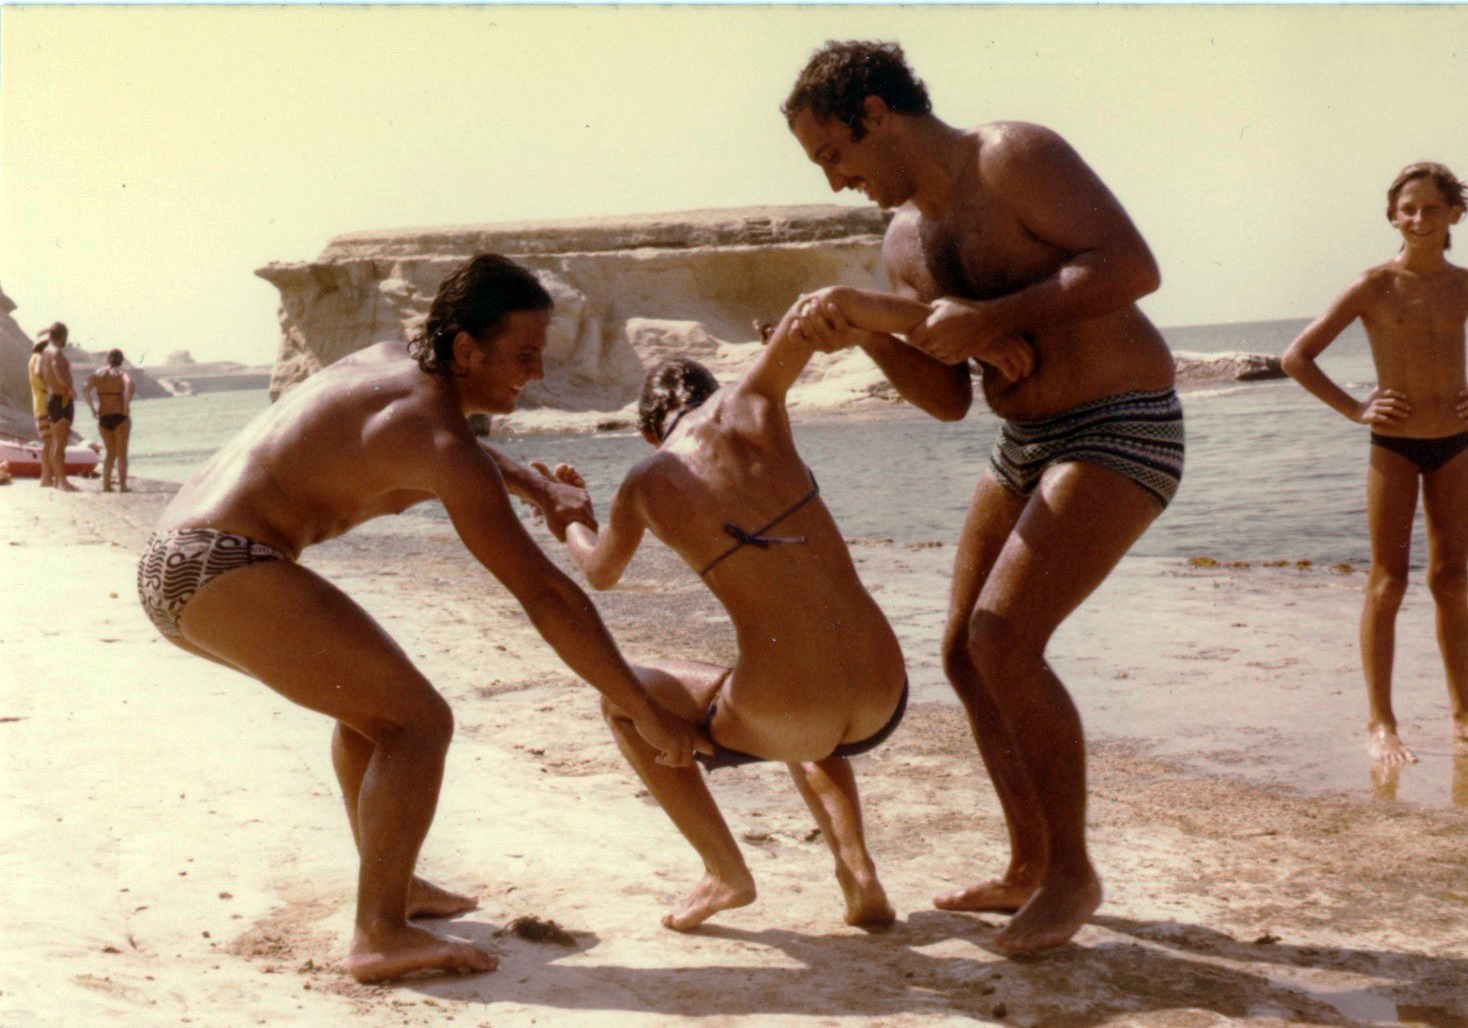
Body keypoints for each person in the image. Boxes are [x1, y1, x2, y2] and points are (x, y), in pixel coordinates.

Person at [136, 254, 703, 984]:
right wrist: (642, 708)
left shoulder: (390, 363)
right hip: (221, 564)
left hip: (173, 559)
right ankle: (378, 934)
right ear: (466, 349)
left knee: (375, 710)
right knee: (419, 722)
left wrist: (532, 484)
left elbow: (454, 442)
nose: (533, 375)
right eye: (522, 356)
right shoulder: (440, 442)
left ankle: (392, 887)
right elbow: (546, 595)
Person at [782, 40, 1184, 954]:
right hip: (1023, 442)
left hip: (1120, 422)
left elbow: (1131, 268)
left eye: (834, 154)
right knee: (965, 653)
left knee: (1006, 639)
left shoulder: (1012, 155)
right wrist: (867, 336)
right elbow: (948, 397)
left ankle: (1074, 874)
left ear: (875, 112)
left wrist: (997, 317)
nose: (837, 180)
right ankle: (1029, 864)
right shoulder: (901, 242)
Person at [542, 286, 930, 933]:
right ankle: (858, 874)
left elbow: (599, 572)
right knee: (798, 683)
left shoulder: (644, 483)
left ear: (646, 434)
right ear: (716, 391)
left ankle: (724, 872)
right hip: (885, 687)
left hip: (792, 709)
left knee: (624, 698)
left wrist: (570, 521)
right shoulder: (756, 402)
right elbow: (815, 315)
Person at [1282, 161, 1468, 767]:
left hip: (1457, 445)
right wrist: (1356, 409)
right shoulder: (1372, 286)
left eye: (1432, 208)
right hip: (1393, 447)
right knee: (1389, 580)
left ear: (1455, 216)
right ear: (1392, 216)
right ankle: (1381, 722)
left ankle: (1463, 715)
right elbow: (1297, 358)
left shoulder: (1464, 285)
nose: (1419, 219)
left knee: (1453, 580)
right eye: (1408, 209)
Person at [83, 349, 135, 492]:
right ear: (121, 361)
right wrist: (126, 405)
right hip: (119, 415)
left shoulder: (98, 374)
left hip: (104, 417)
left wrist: (92, 409)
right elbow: (130, 384)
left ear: (107, 359)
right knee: (121, 453)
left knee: (110, 453)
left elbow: (85, 389)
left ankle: (106, 485)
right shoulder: (121, 374)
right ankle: (123, 486)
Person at [39, 322, 79, 492]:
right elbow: (56, 368)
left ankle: (56, 480)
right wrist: (67, 388)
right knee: (60, 443)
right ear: (62, 335)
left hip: (53, 397)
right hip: (61, 399)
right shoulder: (55, 353)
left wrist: (52, 387)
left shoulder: (44, 353)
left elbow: (40, 374)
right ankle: (62, 482)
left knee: (57, 441)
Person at [27, 340, 55, 487]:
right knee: (50, 442)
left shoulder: (32, 358)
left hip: (39, 403)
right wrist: (50, 386)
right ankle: (46, 477)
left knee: (48, 441)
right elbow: (39, 372)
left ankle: (47, 476)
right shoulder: (38, 357)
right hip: (44, 403)